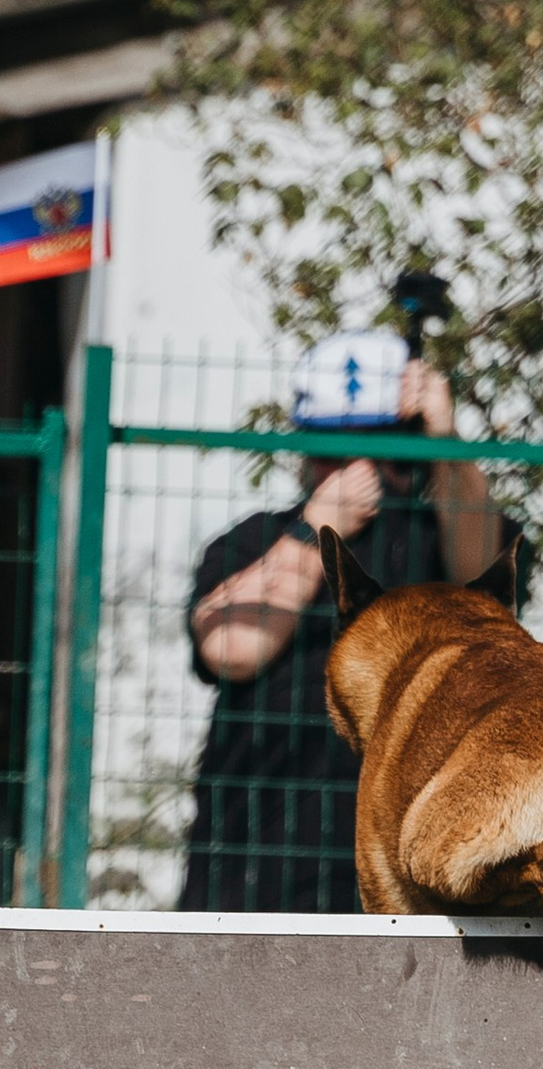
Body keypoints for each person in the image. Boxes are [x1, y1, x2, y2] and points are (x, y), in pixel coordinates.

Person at [180, 327, 516, 915]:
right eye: (330, 449)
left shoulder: (436, 542)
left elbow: (483, 567)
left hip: (409, 871)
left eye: (373, 444)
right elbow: (232, 647)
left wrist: (445, 441)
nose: (352, 466)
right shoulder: (254, 542)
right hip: (256, 866)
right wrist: (317, 529)